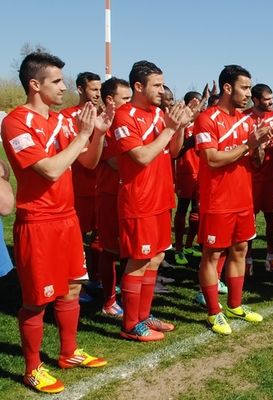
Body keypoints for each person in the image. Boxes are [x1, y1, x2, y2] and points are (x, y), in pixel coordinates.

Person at [1, 52, 112, 393]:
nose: (64, 88)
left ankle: (68, 352)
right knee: (37, 298)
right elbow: (49, 170)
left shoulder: (62, 121)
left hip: (67, 219)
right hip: (37, 222)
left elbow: (89, 163)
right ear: (35, 85)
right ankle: (33, 368)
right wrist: (81, 135)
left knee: (74, 287)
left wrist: (98, 135)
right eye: (56, 81)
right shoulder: (16, 122)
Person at [113, 60, 191, 342]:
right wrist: (169, 128)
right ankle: (130, 324)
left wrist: (178, 127)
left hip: (161, 198)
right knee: (139, 259)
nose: (161, 90)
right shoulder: (124, 116)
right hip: (139, 201)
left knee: (156, 256)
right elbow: (142, 157)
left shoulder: (159, 115)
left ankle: (144, 316)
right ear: (138, 86)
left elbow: (173, 151)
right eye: (156, 85)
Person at [195, 65, 273, 335]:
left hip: (243, 198)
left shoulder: (248, 121)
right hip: (217, 200)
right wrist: (249, 146)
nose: (249, 94)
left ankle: (235, 305)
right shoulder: (206, 118)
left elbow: (257, 162)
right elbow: (212, 159)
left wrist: (261, 147)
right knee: (213, 254)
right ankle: (213, 312)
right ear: (227, 88)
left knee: (240, 250)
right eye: (244, 88)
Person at [61, 72, 104, 299]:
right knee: (77, 238)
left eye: (99, 89)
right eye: (93, 89)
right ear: (80, 89)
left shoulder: (104, 116)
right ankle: (76, 282)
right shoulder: (67, 117)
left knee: (99, 238)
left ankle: (96, 279)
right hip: (78, 188)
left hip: (101, 186)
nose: (98, 94)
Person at [96, 77, 132, 317]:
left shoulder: (127, 121)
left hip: (129, 193)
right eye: (125, 99)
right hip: (109, 194)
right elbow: (117, 163)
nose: (130, 104)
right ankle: (109, 300)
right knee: (109, 249)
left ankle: (127, 292)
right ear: (110, 100)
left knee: (129, 248)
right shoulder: (106, 127)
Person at [244, 84, 273, 273]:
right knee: (248, 221)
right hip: (250, 177)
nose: (271, 102)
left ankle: (270, 256)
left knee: (271, 218)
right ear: (256, 100)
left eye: (271, 98)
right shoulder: (244, 117)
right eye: (267, 99)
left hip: (271, 177)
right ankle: (248, 258)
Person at [173, 91, 204, 265]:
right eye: (196, 103)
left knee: (197, 211)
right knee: (182, 210)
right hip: (185, 172)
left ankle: (189, 244)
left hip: (201, 172)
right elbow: (176, 151)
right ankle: (178, 248)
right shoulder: (180, 122)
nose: (198, 106)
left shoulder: (202, 122)